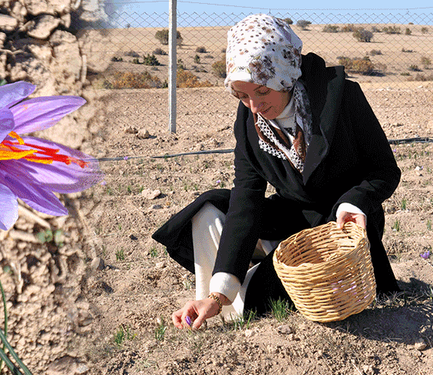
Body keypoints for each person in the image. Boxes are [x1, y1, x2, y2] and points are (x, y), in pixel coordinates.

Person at [152, 14, 401, 330]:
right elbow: (246, 199)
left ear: (282, 75)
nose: (254, 105)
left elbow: (384, 170)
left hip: (341, 226)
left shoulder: (342, 98)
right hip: (292, 217)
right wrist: (216, 294)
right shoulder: (248, 124)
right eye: (242, 96)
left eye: (261, 91)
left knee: (257, 298)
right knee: (209, 210)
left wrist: (354, 202)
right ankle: (215, 299)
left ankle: (245, 293)